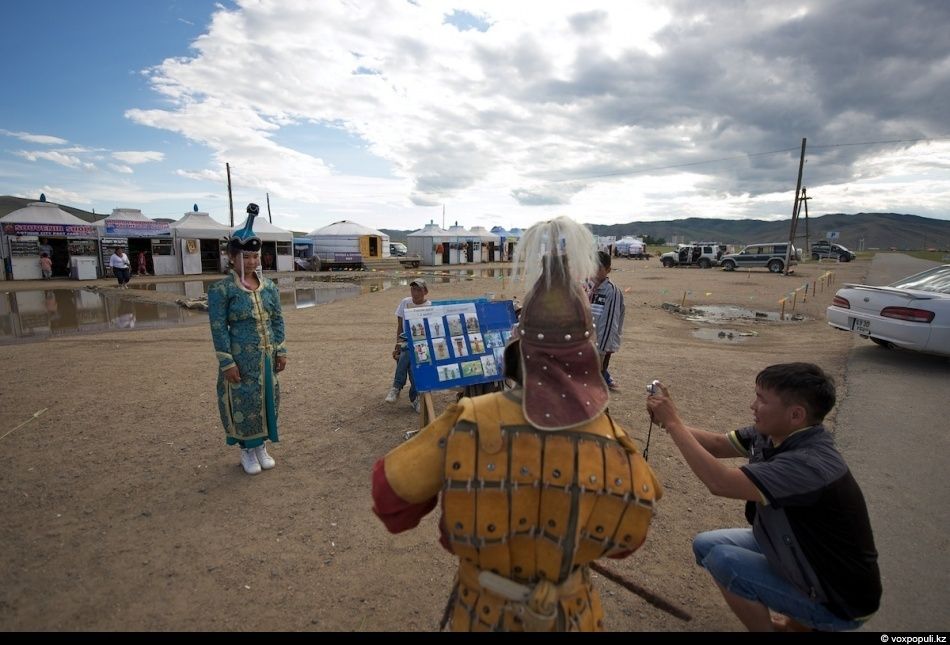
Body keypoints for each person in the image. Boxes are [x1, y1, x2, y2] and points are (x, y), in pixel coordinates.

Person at [372, 216, 661, 631]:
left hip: (484, 613)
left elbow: (390, 500)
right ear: (586, 357)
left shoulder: (468, 420)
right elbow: (628, 538)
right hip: (573, 617)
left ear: (519, 348)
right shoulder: (612, 440)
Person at [646, 362, 881, 632]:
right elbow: (718, 445)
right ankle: (799, 625)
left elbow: (719, 483)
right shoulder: (775, 435)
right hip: (800, 552)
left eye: (761, 399)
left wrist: (674, 422)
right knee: (706, 545)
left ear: (796, 415)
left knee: (725, 562)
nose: (753, 406)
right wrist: (667, 421)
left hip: (843, 601)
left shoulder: (807, 464)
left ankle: (800, 624)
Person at [207, 204, 288, 476]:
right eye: (246, 256)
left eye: (255, 256)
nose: (252, 262)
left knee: (267, 399)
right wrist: (226, 362)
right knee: (244, 401)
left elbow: (277, 319)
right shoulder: (221, 290)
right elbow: (218, 328)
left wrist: (281, 350)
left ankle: (261, 447)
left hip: (266, 357)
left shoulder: (270, 287)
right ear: (232, 257)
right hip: (240, 359)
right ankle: (246, 450)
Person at [384, 278, 431, 413]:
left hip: (423, 344)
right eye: (413, 289)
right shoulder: (405, 303)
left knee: (409, 355)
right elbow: (400, 326)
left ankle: (396, 388)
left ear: (425, 291)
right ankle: (415, 398)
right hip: (406, 342)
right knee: (408, 355)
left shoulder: (430, 306)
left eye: (418, 290)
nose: (415, 293)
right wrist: (397, 345)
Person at [587, 250, 625, 391]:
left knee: (596, 382)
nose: (594, 272)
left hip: (601, 347)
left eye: (599, 268)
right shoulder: (588, 288)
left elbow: (609, 325)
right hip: (587, 344)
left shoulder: (611, 292)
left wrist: (601, 351)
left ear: (608, 269)